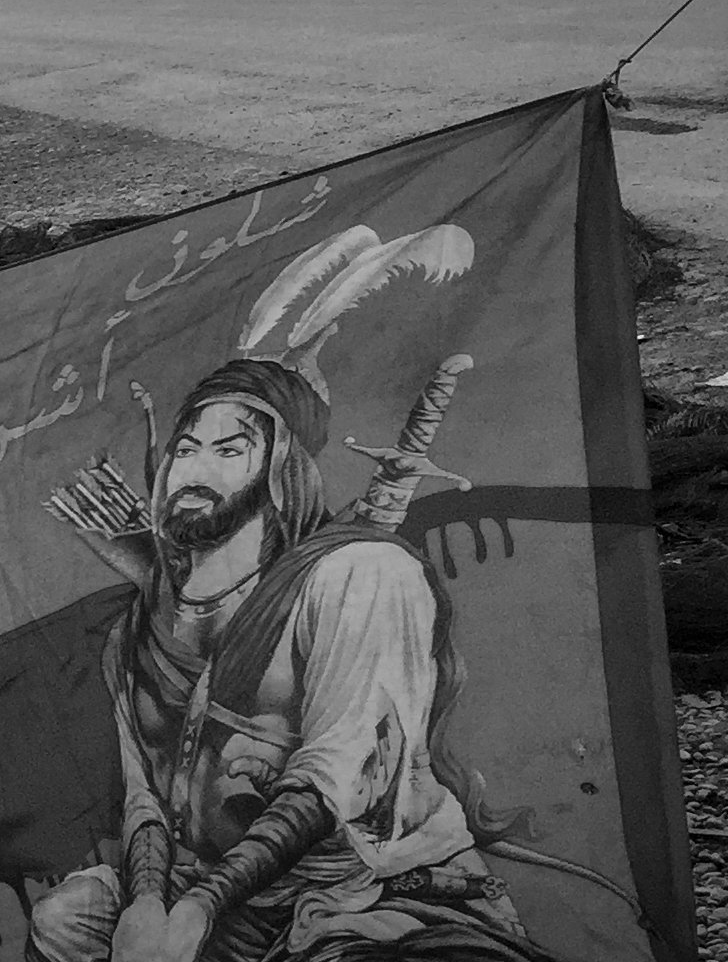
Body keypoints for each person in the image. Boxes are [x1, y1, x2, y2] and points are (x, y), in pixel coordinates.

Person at [31, 359, 555, 962]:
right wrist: (149, 904)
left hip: (358, 891)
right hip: (198, 885)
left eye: (228, 451)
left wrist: (199, 909)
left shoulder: (359, 574)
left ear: (282, 469)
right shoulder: (137, 633)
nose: (194, 470)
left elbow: (330, 781)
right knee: (64, 921)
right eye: (185, 450)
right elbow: (144, 796)